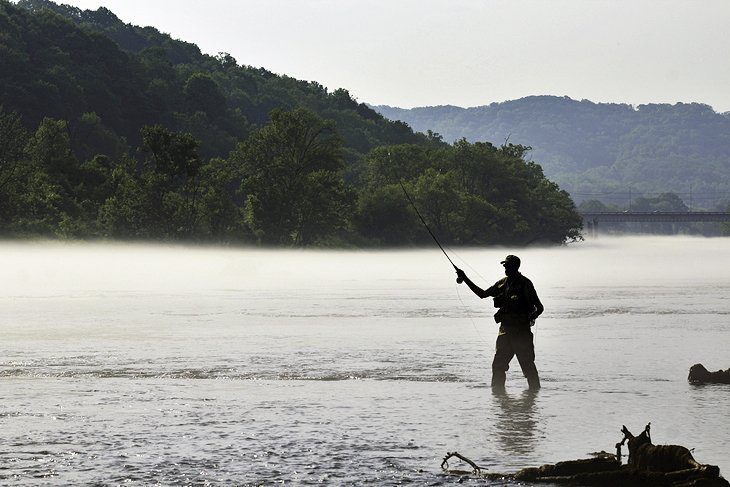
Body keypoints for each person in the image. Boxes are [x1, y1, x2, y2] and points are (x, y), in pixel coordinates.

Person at [455, 255, 543, 390]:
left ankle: (534, 397)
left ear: (516, 267)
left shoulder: (526, 283)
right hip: (505, 333)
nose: (505, 268)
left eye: (508, 266)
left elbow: (540, 307)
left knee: (528, 367)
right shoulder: (502, 283)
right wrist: (465, 278)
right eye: (505, 266)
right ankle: (498, 399)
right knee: (497, 367)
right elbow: (482, 294)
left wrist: (529, 319)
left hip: (521, 334)